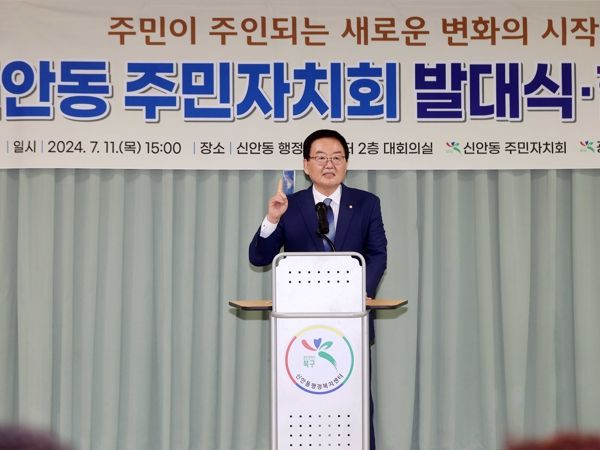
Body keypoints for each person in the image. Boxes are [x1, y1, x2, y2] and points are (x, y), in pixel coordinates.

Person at [248, 128, 387, 449]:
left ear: (346, 164)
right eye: (321, 157)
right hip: (299, 329)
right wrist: (272, 219)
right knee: (301, 402)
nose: (329, 164)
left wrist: (359, 294)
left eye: (337, 157)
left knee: (353, 403)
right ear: (306, 165)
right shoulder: (289, 205)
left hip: (351, 322)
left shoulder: (366, 203)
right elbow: (259, 257)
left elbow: (377, 253)